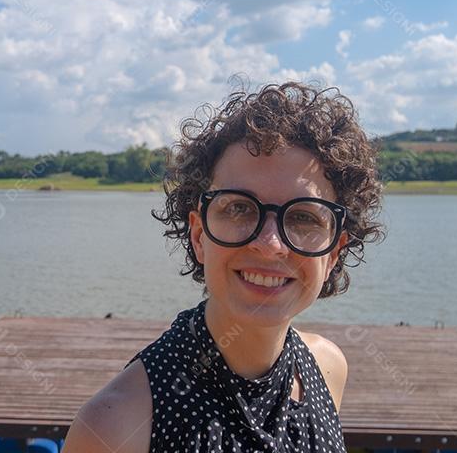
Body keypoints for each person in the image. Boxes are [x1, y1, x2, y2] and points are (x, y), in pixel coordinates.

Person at [64, 81, 385, 452]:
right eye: (238, 208)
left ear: (333, 253)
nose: (270, 245)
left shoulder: (327, 368)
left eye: (303, 218)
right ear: (199, 235)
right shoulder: (116, 426)